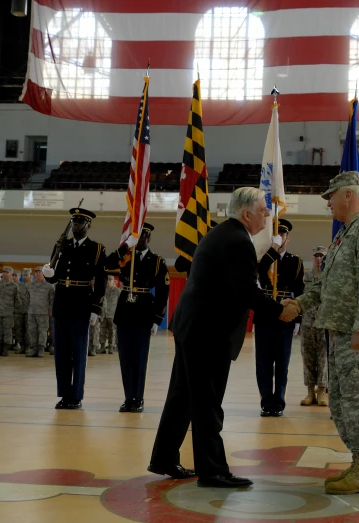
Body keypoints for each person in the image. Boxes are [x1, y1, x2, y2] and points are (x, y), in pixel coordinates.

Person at [148, 187, 298, 488]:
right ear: (246, 214)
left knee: (183, 397)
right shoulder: (236, 240)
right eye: (262, 210)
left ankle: (164, 458)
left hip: (194, 327)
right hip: (208, 333)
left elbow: (243, 278)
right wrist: (280, 311)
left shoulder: (227, 235)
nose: (267, 214)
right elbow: (246, 290)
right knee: (207, 401)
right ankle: (213, 471)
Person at [288, 171, 359, 495]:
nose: (328, 203)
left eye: (331, 196)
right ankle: (357, 464)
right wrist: (299, 304)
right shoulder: (345, 234)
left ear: (348, 195)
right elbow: (328, 286)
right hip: (340, 330)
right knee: (342, 402)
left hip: (357, 334)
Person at [42, 207, 107, 410]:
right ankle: (64, 394)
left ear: (88, 225)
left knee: (78, 354)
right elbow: (54, 276)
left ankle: (76, 396)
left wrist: (96, 308)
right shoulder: (62, 245)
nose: (76, 225)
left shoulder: (96, 249)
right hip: (61, 304)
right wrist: (47, 273)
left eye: (79, 222)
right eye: (74, 222)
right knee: (61, 354)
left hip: (81, 304)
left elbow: (101, 280)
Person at [104, 223, 170, 413]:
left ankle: (138, 398)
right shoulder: (125, 256)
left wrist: (158, 318)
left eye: (142, 236)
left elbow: (163, 292)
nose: (139, 239)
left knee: (139, 358)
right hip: (125, 310)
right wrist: (125, 245)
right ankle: (128, 397)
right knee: (125, 357)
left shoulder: (157, 261)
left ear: (148, 238)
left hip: (144, 312)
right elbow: (107, 265)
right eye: (136, 236)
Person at [254, 218, 305, 417]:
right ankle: (267, 402)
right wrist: (272, 249)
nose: (280, 237)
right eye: (277, 235)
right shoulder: (262, 260)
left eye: (283, 235)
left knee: (282, 363)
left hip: (286, 316)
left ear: (287, 238)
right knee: (264, 363)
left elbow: (299, 291)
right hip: (266, 315)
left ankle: (279, 402)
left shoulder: (295, 261)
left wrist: (298, 319)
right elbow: (258, 272)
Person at [300, 246, 329, 407]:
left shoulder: (329, 277)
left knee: (323, 358)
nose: (318, 259)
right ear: (312, 258)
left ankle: (322, 392)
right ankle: (310, 392)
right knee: (308, 359)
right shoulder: (305, 277)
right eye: (316, 256)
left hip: (324, 323)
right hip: (308, 323)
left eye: (321, 256)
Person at [0, 267, 20, 357]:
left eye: (7, 272)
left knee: (7, 331)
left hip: (8, 313)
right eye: (3, 272)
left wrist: (15, 312)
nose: (4, 274)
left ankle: (6, 348)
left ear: (11, 274)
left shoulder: (14, 286)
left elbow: (17, 301)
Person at [26, 266, 54, 358]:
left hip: (43, 312)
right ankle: (34, 348)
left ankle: (41, 348)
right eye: (36, 272)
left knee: (42, 331)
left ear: (43, 274)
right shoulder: (30, 285)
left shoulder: (49, 286)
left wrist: (50, 310)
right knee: (32, 331)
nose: (38, 274)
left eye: (40, 272)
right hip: (32, 312)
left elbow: (51, 300)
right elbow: (27, 298)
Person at [99, 277, 120, 354]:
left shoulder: (117, 291)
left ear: (114, 281)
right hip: (104, 314)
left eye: (110, 280)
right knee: (102, 331)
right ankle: (102, 347)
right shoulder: (103, 290)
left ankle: (111, 346)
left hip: (112, 314)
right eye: (107, 280)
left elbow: (120, 304)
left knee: (112, 331)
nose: (108, 282)